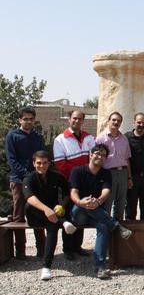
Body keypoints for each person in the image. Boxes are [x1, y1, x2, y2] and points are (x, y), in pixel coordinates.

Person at [69, 145, 132, 279]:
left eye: (103, 155)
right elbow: (73, 193)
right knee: (83, 205)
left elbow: (106, 192)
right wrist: (82, 202)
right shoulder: (77, 171)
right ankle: (116, 225)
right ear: (90, 155)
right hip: (78, 213)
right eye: (97, 153)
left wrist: (97, 202)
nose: (100, 157)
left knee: (103, 226)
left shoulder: (106, 173)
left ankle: (100, 267)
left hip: (95, 212)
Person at [23, 150, 76, 280]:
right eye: (39, 163)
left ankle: (46, 267)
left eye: (45, 163)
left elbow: (67, 192)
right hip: (35, 216)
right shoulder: (29, 178)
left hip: (52, 217)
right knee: (30, 206)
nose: (42, 166)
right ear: (34, 163)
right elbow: (29, 197)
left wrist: (62, 205)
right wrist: (46, 210)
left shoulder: (56, 176)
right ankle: (63, 222)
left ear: (49, 163)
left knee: (52, 227)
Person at [53, 109, 96, 260]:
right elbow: (60, 164)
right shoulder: (60, 139)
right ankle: (68, 248)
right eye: (74, 118)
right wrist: (78, 175)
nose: (77, 121)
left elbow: (93, 158)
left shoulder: (88, 138)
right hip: (69, 183)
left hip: (86, 183)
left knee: (81, 214)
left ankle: (78, 246)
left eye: (80, 119)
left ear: (83, 121)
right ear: (69, 119)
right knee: (70, 214)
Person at [5, 107, 46, 258]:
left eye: (31, 118)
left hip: (37, 180)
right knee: (18, 215)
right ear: (20, 120)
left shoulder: (37, 137)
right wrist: (26, 174)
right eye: (25, 119)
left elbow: (42, 156)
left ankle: (42, 249)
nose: (28, 121)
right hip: (18, 180)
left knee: (39, 212)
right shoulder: (12, 136)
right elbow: (11, 159)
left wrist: (37, 174)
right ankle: (20, 250)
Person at [95, 112, 132, 220]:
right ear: (109, 121)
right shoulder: (101, 139)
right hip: (108, 174)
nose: (116, 122)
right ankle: (106, 232)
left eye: (119, 121)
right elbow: (95, 159)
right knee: (107, 203)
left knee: (121, 204)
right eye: (114, 120)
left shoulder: (124, 139)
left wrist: (129, 177)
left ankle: (118, 231)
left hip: (122, 173)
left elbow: (127, 159)